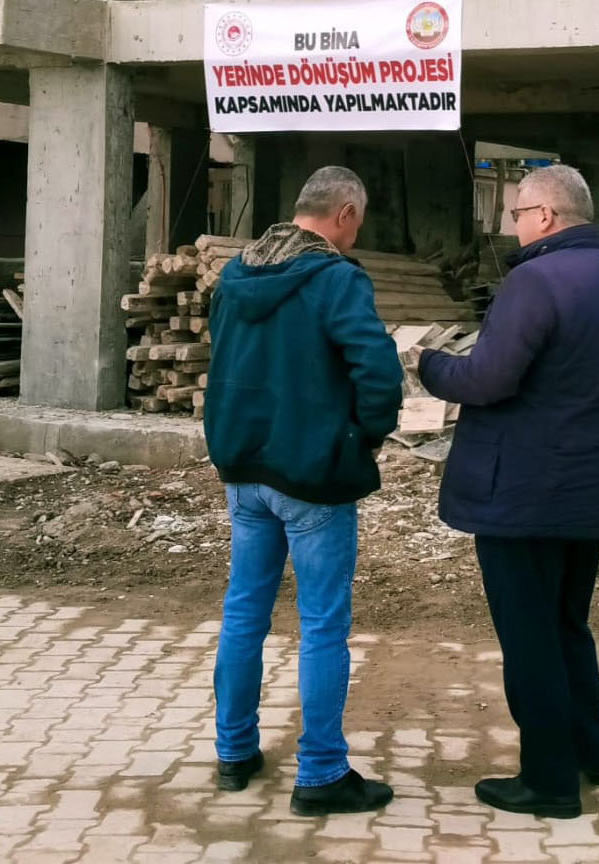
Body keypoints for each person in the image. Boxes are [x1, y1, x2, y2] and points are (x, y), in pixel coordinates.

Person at [408, 165, 599, 819]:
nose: (512, 225)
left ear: (546, 215)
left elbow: (489, 379)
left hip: (522, 494)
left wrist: (428, 362)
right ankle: (590, 754)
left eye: (517, 213)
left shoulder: (534, 280)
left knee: (530, 639)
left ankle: (548, 782)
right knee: (568, 625)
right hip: (594, 489)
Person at [205, 166, 403, 816]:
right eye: (360, 220)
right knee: (321, 626)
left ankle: (234, 754)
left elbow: (225, 356)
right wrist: (362, 439)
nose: (358, 232)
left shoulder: (236, 276)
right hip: (313, 477)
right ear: (345, 214)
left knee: (243, 615)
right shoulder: (336, 280)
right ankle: (320, 774)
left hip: (244, 470)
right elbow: (378, 373)